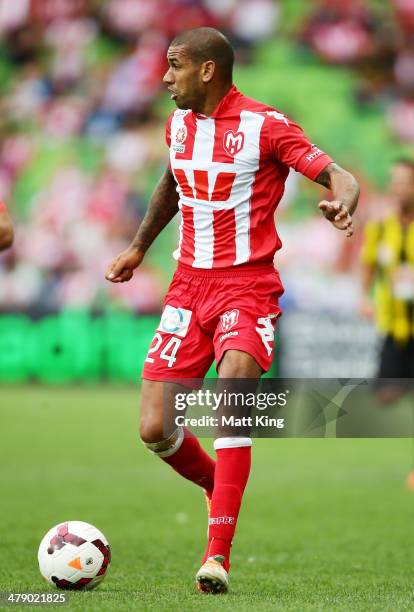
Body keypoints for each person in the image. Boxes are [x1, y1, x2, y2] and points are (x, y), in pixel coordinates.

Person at [106, 27, 359, 594]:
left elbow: (339, 175)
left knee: (233, 403)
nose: (165, 77)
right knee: (154, 428)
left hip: (247, 287)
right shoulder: (178, 126)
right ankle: (219, 485)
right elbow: (172, 185)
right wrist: (138, 248)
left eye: (174, 66)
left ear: (207, 70)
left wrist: (342, 200)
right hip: (187, 286)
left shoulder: (265, 126)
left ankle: (216, 556)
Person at [360, 158, 414, 405]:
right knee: (384, 396)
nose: (398, 188)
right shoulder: (380, 227)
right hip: (393, 323)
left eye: (404, 182)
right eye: (394, 182)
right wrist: (364, 298)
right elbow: (368, 266)